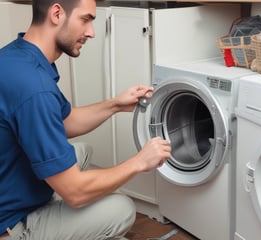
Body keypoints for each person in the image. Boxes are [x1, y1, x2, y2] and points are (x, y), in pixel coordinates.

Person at [0, 0, 171, 239]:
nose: (91, 32)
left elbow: (65, 121)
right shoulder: (34, 88)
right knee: (122, 209)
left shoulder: (17, 56)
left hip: (7, 185)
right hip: (9, 223)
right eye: (86, 19)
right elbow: (75, 192)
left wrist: (115, 105)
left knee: (83, 151)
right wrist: (140, 162)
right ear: (57, 13)